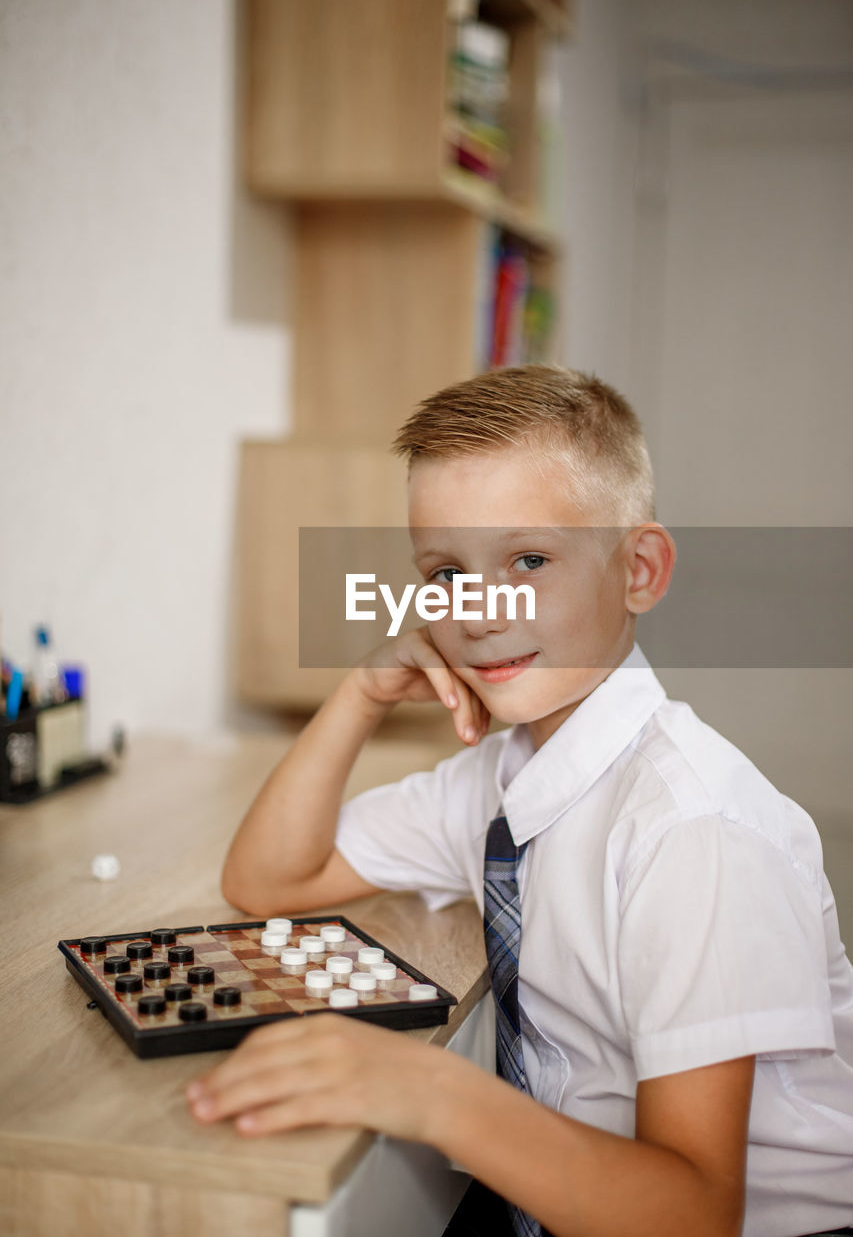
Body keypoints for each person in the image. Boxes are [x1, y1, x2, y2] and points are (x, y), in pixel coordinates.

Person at [186, 366, 853, 1237]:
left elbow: (697, 1215)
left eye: (528, 560)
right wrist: (361, 693)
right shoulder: (500, 776)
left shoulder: (694, 834)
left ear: (638, 570)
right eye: (445, 571)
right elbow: (272, 877)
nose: (480, 609)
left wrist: (432, 1091)